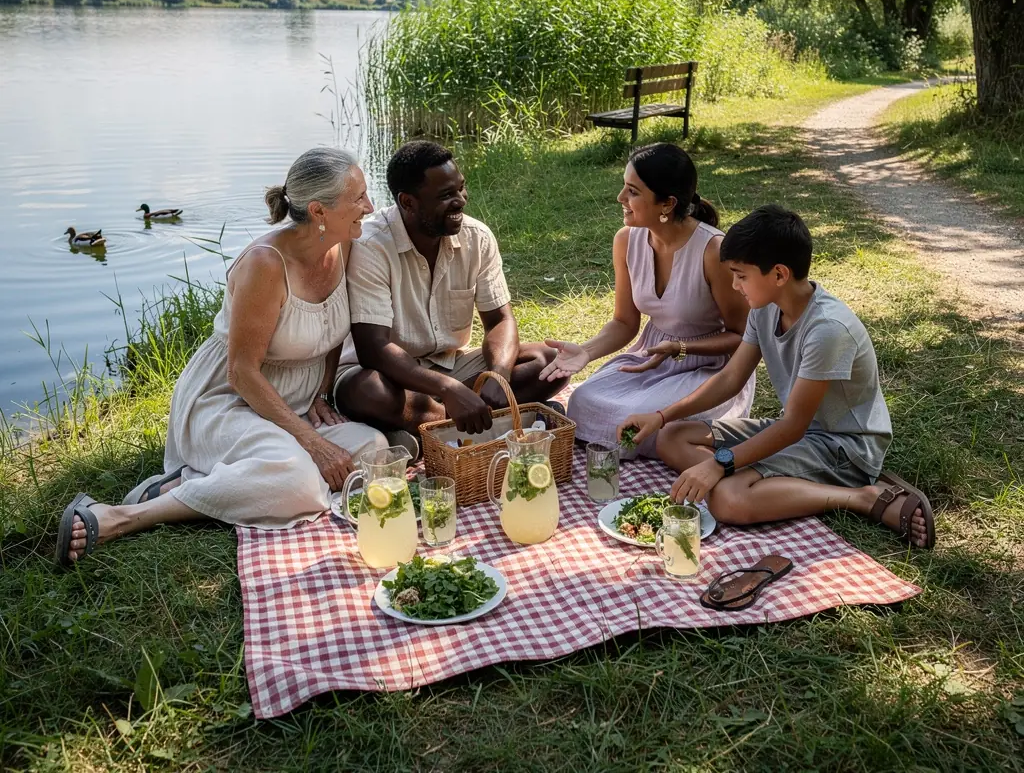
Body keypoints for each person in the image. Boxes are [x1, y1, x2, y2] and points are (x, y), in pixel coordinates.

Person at [55, 147, 388, 566]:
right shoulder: (265, 265)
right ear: (319, 211)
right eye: (358, 198)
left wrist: (321, 394)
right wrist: (313, 445)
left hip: (297, 405)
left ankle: (221, 477)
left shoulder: (346, 246)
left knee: (374, 449)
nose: (369, 207)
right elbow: (242, 373)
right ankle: (127, 514)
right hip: (229, 400)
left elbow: (330, 329)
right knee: (299, 483)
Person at [617, 205, 935, 548]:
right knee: (671, 437)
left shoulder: (827, 329)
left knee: (727, 500)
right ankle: (761, 481)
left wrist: (720, 465)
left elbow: (793, 426)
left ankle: (862, 496)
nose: (735, 286)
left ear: (780, 274)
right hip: (800, 434)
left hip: (844, 445)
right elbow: (730, 379)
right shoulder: (766, 307)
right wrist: (661, 415)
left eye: (741, 275)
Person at [334, 140, 568, 440]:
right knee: (368, 392)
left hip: (453, 365)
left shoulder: (477, 237)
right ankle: (491, 422)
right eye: (446, 195)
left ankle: (427, 429)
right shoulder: (371, 246)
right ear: (408, 202)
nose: (461, 200)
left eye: (461, 188)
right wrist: (449, 390)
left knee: (549, 362)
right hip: (391, 377)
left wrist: (499, 374)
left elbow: (500, 320)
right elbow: (374, 349)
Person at [540, 143, 754, 456]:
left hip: (711, 368)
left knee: (637, 420)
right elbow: (625, 322)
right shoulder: (626, 240)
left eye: (633, 191)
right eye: (624, 188)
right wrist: (586, 352)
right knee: (582, 401)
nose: (620, 199)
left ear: (667, 203)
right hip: (651, 359)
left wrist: (681, 348)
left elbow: (743, 336)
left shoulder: (712, 251)